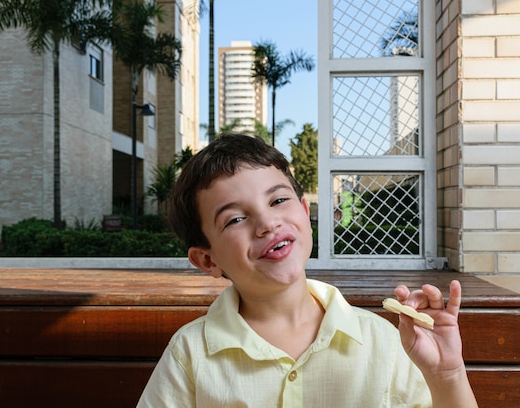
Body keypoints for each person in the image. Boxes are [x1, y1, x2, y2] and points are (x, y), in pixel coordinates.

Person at [137, 133, 478, 408]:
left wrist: (447, 375)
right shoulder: (190, 353)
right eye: (236, 219)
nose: (268, 223)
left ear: (304, 213)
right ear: (207, 260)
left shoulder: (385, 343)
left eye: (278, 200)